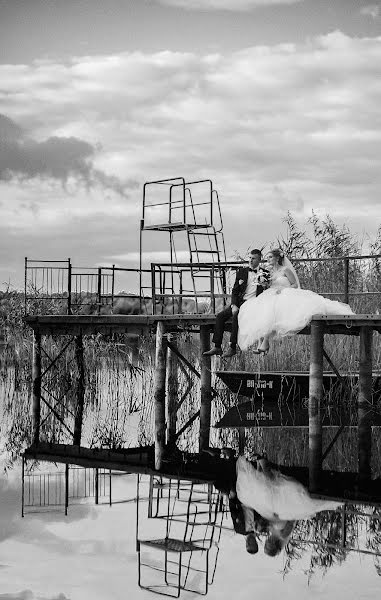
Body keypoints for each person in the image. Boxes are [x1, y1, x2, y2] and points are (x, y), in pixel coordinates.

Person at [238, 248, 354, 355]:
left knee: (272, 308)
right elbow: (268, 285)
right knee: (260, 308)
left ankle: (266, 342)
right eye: (267, 258)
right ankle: (261, 342)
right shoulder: (269, 272)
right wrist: (264, 283)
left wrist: (282, 290)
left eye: (270, 257)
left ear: (277, 258)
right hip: (272, 294)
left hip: (285, 294)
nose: (268, 259)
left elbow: (294, 284)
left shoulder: (286, 270)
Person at [235, 455, 342, 556]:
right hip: (285, 508)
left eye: (266, 545)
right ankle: (262, 463)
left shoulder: (272, 532)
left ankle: (260, 464)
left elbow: (272, 523)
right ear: (274, 546)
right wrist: (277, 516)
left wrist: (264, 524)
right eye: (268, 545)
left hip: (275, 509)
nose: (266, 542)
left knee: (260, 493)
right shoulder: (283, 535)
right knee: (270, 490)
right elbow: (291, 520)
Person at [203, 248, 270, 358]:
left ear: (259, 260)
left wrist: (264, 286)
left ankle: (232, 347)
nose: (250, 260)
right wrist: (234, 305)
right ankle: (217, 346)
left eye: (253, 258)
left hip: (253, 304)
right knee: (220, 316)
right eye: (250, 258)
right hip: (239, 302)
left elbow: (268, 292)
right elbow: (234, 291)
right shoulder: (242, 272)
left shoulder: (265, 274)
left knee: (236, 316)